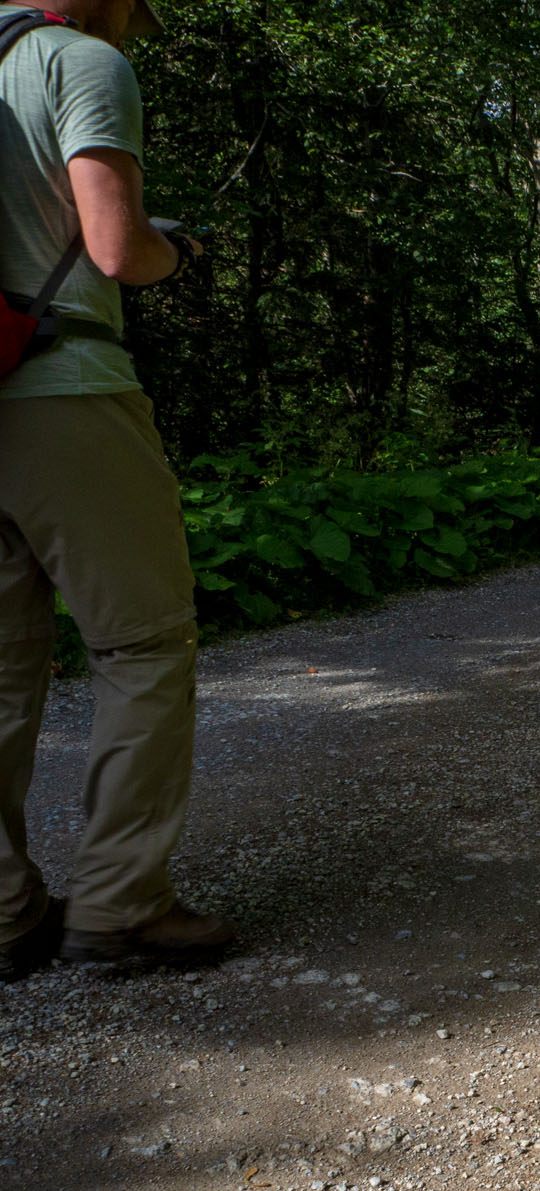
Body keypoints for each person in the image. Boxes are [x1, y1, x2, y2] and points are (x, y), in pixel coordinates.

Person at [0, 0, 232, 978]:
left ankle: (8, 910)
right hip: (65, 392)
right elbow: (112, 244)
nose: (138, 23)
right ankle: (121, 903)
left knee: (1, 669)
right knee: (143, 640)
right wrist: (175, 251)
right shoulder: (78, 61)